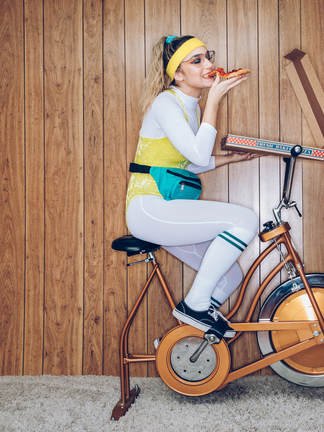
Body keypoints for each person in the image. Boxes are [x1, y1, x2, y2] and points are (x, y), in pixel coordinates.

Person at [125, 35, 259, 338]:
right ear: (178, 74)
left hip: (165, 208)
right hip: (149, 207)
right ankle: (194, 306)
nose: (209, 65)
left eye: (207, 56)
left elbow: (184, 161)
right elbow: (196, 153)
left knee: (229, 276)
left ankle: (182, 340)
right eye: (197, 61)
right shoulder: (166, 103)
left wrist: (229, 159)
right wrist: (214, 100)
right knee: (245, 221)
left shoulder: (192, 107)